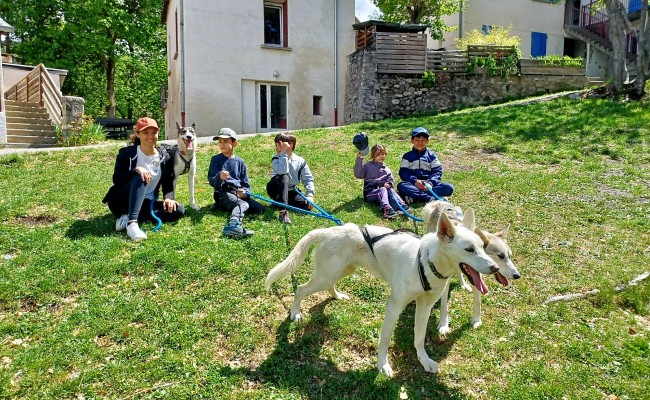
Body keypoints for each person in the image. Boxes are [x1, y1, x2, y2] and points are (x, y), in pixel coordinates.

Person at [102, 117, 185, 242]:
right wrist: (136, 170)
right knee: (141, 177)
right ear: (137, 134)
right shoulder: (127, 153)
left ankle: (130, 216)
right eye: (145, 133)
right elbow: (117, 179)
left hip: (146, 202)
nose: (150, 136)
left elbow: (167, 182)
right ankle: (132, 224)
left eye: (154, 132)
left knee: (178, 209)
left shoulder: (164, 156)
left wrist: (169, 198)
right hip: (121, 201)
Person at [208, 128, 264, 238]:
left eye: (225, 141)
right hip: (223, 193)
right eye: (220, 141)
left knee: (259, 209)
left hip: (237, 194)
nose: (222, 144)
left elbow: (245, 184)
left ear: (234, 143)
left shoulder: (240, 162)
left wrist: (245, 193)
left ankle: (224, 207)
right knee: (243, 204)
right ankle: (232, 226)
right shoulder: (215, 159)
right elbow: (212, 180)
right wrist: (220, 175)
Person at [266, 132, 315, 224]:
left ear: (290, 145)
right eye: (276, 145)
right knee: (284, 177)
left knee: (306, 206)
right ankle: (283, 211)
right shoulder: (276, 158)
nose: (277, 148)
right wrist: (284, 153)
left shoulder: (300, 161)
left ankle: (279, 202)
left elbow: (308, 179)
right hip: (275, 189)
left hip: (290, 190)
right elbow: (283, 171)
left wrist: (310, 195)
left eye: (280, 145)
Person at [397, 127, 454, 204]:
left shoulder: (432, 156)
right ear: (412, 141)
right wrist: (415, 181)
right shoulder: (407, 156)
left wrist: (430, 183)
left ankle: (414, 197)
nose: (420, 143)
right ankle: (430, 198)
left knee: (449, 188)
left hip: (428, 185)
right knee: (401, 186)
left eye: (423, 140)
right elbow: (403, 173)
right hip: (413, 184)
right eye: (417, 140)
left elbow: (438, 172)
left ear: (427, 141)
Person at [354, 144, 410, 219]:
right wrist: (359, 159)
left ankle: (400, 206)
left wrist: (389, 184)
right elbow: (358, 174)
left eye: (383, 154)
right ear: (373, 155)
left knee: (390, 189)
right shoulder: (368, 166)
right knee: (383, 189)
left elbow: (390, 180)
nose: (382, 156)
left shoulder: (387, 170)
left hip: (384, 193)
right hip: (370, 193)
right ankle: (386, 209)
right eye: (378, 154)